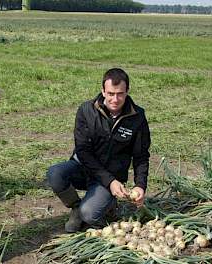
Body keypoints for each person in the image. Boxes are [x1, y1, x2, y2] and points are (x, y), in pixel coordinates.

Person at [47, 68, 151, 233]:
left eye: (120, 94)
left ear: (127, 91)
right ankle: (76, 207)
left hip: (111, 178)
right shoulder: (86, 110)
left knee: (89, 215)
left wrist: (140, 185)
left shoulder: (137, 117)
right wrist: (109, 180)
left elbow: (141, 156)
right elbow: (83, 151)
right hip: (84, 168)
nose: (115, 99)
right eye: (110, 93)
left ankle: (105, 205)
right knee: (55, 174)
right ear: (103, 91)